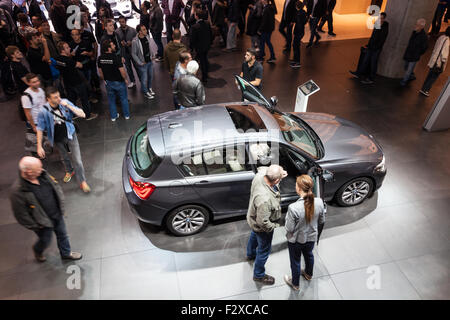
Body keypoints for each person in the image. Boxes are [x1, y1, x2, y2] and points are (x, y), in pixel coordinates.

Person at [10, 156, 83, 263]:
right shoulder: (18, 191)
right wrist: (36, 225)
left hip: (57, 214)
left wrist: (61, 204)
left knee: (63, 235)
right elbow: (21, 215)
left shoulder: (42, 174)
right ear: (28, 172)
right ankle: (37, 250)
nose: (41, 170)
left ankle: (66, 253)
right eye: (38, 169)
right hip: (43, 223)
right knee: (45, 241)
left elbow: (55, 186)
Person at [36, 87, 91, 192]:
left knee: (77, 160)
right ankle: (69, 170)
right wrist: (39, 146)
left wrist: (69, 106)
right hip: (56, 137)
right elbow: (39, 128)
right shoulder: (43, 111)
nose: (58, 99)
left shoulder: (64, 103)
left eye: (58, 96)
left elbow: (82, 114)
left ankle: (82, 181)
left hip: (70, 133)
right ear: (48, 99)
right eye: (55, 97)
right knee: (64, 156)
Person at [246, 165, 286, 285]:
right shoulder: (265, 199)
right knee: (264, 250)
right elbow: (263, 222)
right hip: (262, 227)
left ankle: (250, 254)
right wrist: (275, 227)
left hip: (253, 220)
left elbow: (264, 169)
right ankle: (258, 275)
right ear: (277, 180)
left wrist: (280, 174)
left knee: (254, 235)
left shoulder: (259, 176)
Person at [284, 175, 325, 291]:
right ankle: (308, 274)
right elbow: (322, 221)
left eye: (296, 184)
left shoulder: (293, 208)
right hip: (311, 238)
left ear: (299, 188)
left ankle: (295, 284)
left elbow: (289, 228)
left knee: (295, 261)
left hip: (296, 241)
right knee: (309, 255)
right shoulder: (319, 202)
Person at [54, 41, 98, 120]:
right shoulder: (68, 60)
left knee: (71, 99)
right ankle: (87, 115)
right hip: (77, 82)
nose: (70, 48)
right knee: (84, 98)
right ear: (63, 50)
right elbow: (79, 65)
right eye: (67, 48)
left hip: (67, 82)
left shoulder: (57, 59)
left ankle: (73, 115)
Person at [349, 12, 389, 84]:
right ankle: (358, 73)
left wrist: (376, 47)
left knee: (373, 63)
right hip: (371, 47)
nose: (380, 19)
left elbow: (382, 40)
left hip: (376, 49)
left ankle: (371, 78)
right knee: (365, 61)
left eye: (382, 18)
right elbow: (373, 36)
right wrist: (369, 45)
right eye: (379, 17)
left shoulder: (385, 28)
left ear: (384, 19)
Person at [98, 39, 131, 121]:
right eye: (112, 45)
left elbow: (100, 72)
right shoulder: (116, 58)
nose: (115, 46)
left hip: (108, 83)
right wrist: (126, 79)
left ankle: (113, 116)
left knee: (111, 100)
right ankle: (126, 115)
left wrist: (104, 80)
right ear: (109, 48)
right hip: (119, 82)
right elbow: (122, 71)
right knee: (123, 99)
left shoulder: (100, 58)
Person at [419, 26, 450, 97]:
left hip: (433, 60)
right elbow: (444, 53)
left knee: (429, 75)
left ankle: (423, 88)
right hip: (438, 63)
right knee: (433, 77)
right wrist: (443, 62)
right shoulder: (447, 40)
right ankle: (426, 90)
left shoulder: (441, 37)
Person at [400, 19, 428, 87]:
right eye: (416, 24)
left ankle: (404, 81)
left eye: (417, 25)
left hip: (414, 56)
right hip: (408, 53)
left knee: (409, 69)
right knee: (406, 67)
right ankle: (411, 75)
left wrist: (418, 53)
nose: (415, 26)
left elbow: (424, 48)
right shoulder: (414, 32)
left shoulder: (424, 36)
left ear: (421, 26)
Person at [131, 24, 155, 99]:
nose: (146, 30)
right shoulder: (135, 41)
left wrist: (152, 55)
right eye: (144, 29)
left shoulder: (147, 36)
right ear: (140, 32)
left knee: (151, 77)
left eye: (145, 29)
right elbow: (133, 54)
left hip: (149, 61)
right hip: (142, 64)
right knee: (144, 79)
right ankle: (145, 92)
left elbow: (149, 47)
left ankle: (149, 88)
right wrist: (140, 63)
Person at [189, 9, 213, 83]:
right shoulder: (207, 23)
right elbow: (210, 34)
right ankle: (206, 74)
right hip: (206, 46)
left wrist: (191, 47)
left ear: (196, 16)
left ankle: (204, 77)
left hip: (199, 47)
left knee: (202, 61)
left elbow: (192, 39)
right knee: (204, 59)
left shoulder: (194, 27)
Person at [115, 15, 137, 88]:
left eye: (123, 22)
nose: (122, 23)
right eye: (120, 22)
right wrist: (121, 43)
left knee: (137, 66)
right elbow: (116, 43)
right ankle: (132, 81)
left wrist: (131, 42)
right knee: (128, 68)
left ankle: (142, 80)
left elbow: (137, 39)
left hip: (133, 52)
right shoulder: (117, 32)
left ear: (126, 21)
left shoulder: (133, 30)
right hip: (124, 52)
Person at [290, 0, 307, 68]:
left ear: (297, 6)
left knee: (296, 46)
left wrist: (296, 33)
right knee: (295, 46)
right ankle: (295, 60)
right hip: (301, 32)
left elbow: (299, 24)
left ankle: (297, 62)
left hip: (298, 32)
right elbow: (304, 22)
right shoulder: (302, 12)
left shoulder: (299, 14)